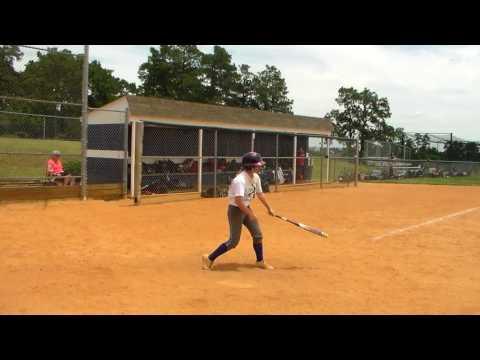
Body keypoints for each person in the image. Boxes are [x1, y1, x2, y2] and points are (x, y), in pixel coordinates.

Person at [202, 152, 276, 270]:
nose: (260, 167)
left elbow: (260, 193)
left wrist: (269, 208)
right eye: (258, 165)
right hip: (236, 210)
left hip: (246, 208)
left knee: (258, 235)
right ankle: (209, 258)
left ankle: (260, 261)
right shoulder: (239, 180)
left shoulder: (256, 177)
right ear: (251, 166)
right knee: (233, 242)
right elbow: (238, 201)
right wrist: (250, 214)